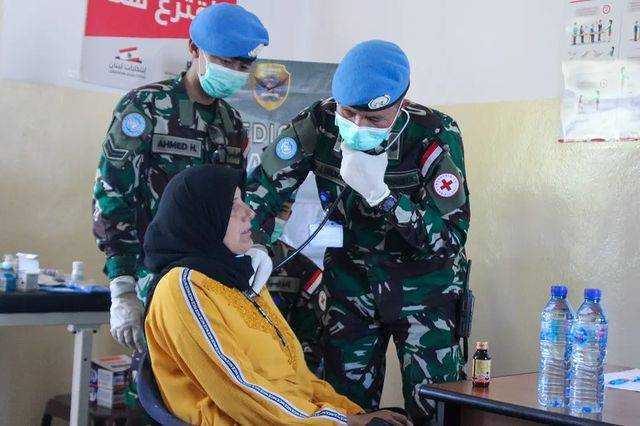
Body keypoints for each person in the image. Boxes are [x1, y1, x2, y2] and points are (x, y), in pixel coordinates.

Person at [245, 40, 470, 423]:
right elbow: (263, 190)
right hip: (352, 286)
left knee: (434, 410)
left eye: (375, 119)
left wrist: (384, 198)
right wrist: (255, 246)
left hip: (425, 292)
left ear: (401, 104)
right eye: (349, 114)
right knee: (344, 407)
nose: (358, 126)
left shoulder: (434, 134)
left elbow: (450, 237)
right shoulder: (318, 124)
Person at [143, 165, 412, 426]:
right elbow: (241, 391)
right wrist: (342, 421)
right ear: (202, 219)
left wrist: (355, 414)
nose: (249, 212)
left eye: (244, 201)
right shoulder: (183, 288)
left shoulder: (239, 279)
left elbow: (299, 379)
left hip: (291, 417)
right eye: (233, 207)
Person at [92, 3, 268, 351]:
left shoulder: (232, 125)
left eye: (242, 66)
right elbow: (113, 196)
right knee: (157, 376)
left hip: (208, 285)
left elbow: (234, 204)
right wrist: (123, 287)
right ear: (194, 49)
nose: (233, 72)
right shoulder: (145, 108)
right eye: (224, 62)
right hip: (152, 278)